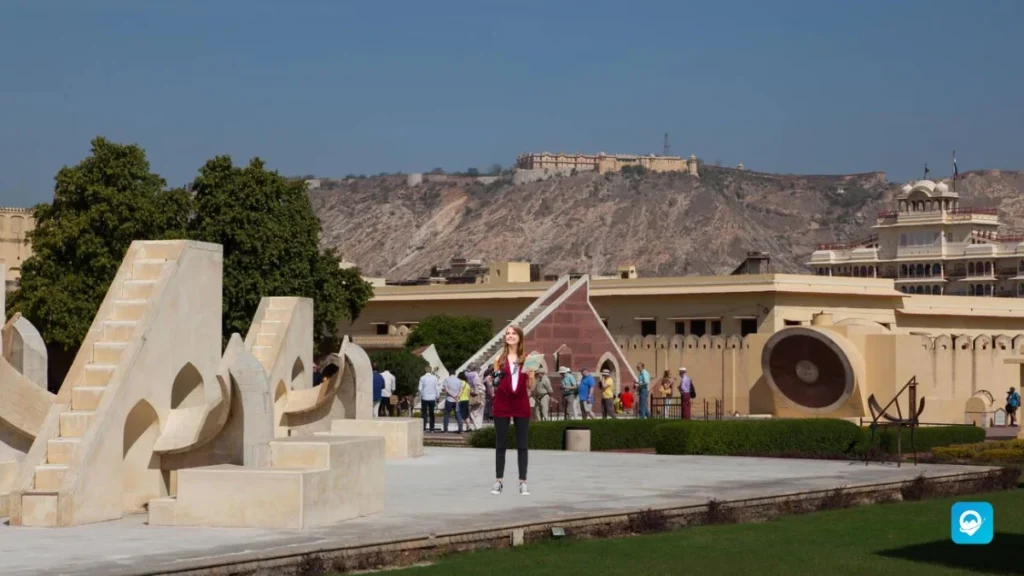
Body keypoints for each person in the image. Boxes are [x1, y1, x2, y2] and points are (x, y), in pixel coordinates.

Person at [490, 325, 536, 496]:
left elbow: (531, 387)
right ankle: (499, 481)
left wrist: (531, 376)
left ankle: (522, 482)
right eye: (507, 334)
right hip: (502, 402)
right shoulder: (499, 359)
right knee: (500, 444)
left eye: (513, 333)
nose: (510, 336)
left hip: (521, 402)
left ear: (520, 337)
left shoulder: (527, 358)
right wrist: (496, 375)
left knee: (522, 444)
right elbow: (495, 385)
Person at [418, 367, 440, 432]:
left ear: (425, 370)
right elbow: (437, 388)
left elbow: (420, 388)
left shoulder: (422, 378)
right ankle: (432, 429)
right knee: (432, 413)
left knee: (424, 413)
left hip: (424, 397)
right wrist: (437, 397)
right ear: (431, 371)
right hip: (432, 397)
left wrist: (421, 395)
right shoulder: (435, 378)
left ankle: (423, 428)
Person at [467, 366, 486, 430]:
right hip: (479, 395)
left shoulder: (468, 376)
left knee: (473, 411)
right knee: (479, 411)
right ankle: (478, 426)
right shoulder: (476, 376)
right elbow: (477, 385)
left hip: (472, 395)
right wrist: (477, 391)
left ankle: (477, 426)